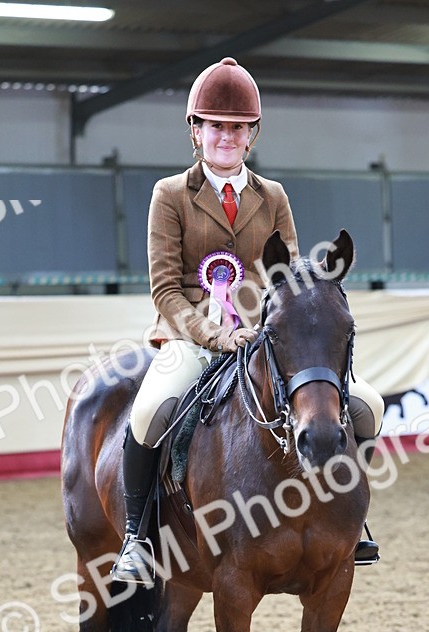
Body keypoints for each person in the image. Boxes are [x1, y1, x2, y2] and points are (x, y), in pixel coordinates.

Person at [112, 56, 383, 585]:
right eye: (216, 127)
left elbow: (290, 278)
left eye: (237, 128)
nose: (226, 137)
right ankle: (135, 539)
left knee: (365, 404)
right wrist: (216, 333)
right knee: (147, 414)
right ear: (196, 131)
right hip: (193, 334)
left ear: (252, 134)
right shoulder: (169, 195)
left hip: (264, 336)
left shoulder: (273, 195)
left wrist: (270, 329)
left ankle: (351, 515)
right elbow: (165, 288)